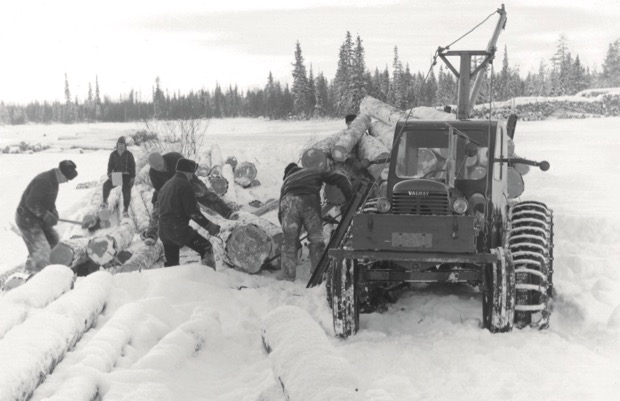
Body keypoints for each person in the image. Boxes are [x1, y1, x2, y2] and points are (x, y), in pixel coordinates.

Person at [278, 163, 353, 281]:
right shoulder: (313, 170)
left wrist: (292, 237)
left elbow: (280, 212)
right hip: (310, 201)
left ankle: (287, 278)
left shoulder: (287, 181)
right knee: (316, 240)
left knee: (288, 243)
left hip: (289, 202)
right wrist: (350, 198)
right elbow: (340, 178)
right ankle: (318, 274)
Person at [142, 151, 233, 245]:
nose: (159, 169)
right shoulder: (153, 173)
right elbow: (160, 190)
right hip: (168, 190)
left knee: (204, 194)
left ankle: (227, 212)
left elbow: (189, 172)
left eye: (160, 165)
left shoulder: (175, 158)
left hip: (188, 181)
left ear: (162, 158)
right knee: (158, 209)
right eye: (156, 168)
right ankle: (151, 235)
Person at [15, 160, 78, 273]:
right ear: (60, 173)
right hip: (27, 219)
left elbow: (49, 202)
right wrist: (46, 216)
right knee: (42, 251)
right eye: (67, 178)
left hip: (38, 218)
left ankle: (41, 268)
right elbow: (31, 202)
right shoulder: (44, 181)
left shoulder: (54, 181)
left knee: (55, 243)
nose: (67, 181)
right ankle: (35, 277)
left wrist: (54, 213)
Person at [157, 158, 221, 268]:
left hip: (163, 229)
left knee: (172, 263)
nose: (192, 176)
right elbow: (193, 212)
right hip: (177, 229)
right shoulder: (185, 185)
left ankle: (171, 283)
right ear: (187, 172)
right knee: (206, 247)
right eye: (192, 173)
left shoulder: (167, 185)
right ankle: (209, 278)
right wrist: (210, 226)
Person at [101, 136, 135, 217]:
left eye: (122, 144)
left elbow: (133, 166)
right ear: (117, 144)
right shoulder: (113, 154)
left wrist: (133, 177)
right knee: (106, 185)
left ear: (125, 145)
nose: (120, 146)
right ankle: (105, 202)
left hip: (126, 176)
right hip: (117, 175)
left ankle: (125, 209)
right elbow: (110, 166)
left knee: (126, 192)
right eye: (119, 144)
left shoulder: (129, 154)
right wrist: (109, 174)